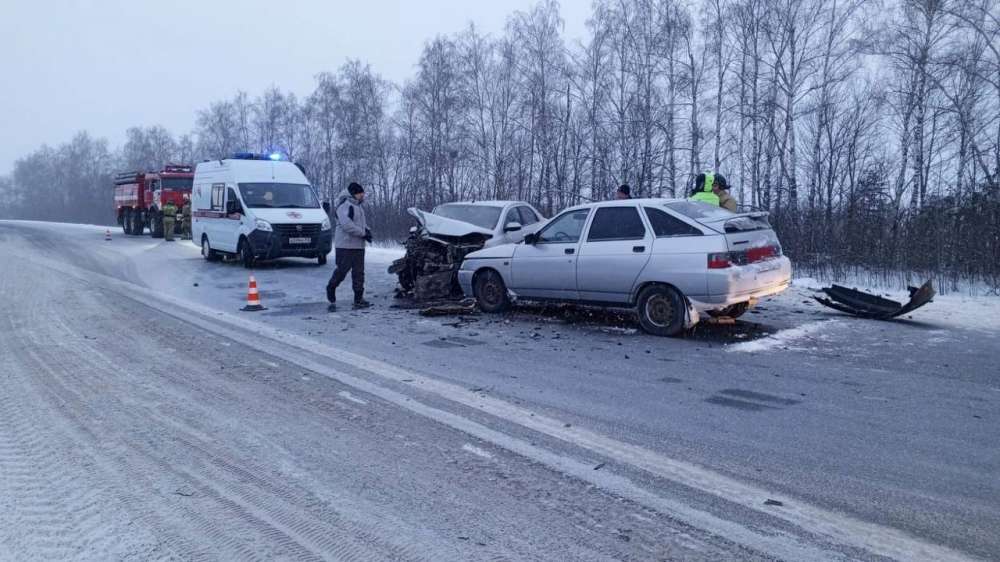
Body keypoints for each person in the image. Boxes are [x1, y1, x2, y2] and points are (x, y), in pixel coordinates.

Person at [326, 182, 372, 310]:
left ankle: (358, 299)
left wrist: (367, 231)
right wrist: (363, 233)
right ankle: (331, 287)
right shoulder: (344, 206)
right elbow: (347, 225)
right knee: (342, 271)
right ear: (354, 194)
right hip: (345, 245)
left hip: (358, 246)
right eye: (360, 193)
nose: (363, 196)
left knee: (359, 274)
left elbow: (360, 224)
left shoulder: (358, 207)